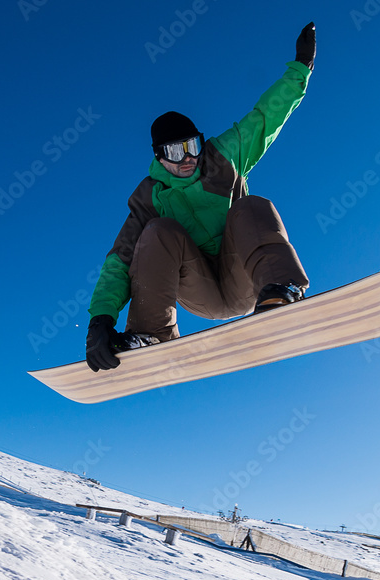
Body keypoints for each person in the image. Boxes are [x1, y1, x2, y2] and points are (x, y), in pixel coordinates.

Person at [85, 23, 317, 373]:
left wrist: (300, 67)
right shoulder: (150, 197)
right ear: (159, 157)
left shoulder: (222, 157)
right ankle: (152, 334)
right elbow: (119, 262)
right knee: (157, 232)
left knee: (250, 207)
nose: (187, 159)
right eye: (175, 152)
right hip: (199, 289)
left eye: (192, 146)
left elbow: (265, 118)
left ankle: (281, 291)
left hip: (244, 276)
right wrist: (100, 319)